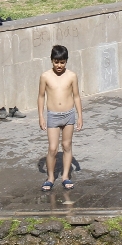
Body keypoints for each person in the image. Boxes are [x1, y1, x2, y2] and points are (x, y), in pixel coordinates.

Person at [35, 44, 83, 191]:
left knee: (67, 146)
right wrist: (41, 117)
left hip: (69, 115)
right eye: (56, 62)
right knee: (53, 148)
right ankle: (50, 178)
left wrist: (80, 116)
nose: (59, 65)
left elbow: (76, 96)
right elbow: (41, 97)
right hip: (53, 116)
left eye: (62, 62)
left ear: (66, 61)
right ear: (52, 61)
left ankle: (66, 176)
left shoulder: (72, 76)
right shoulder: (45, 76)